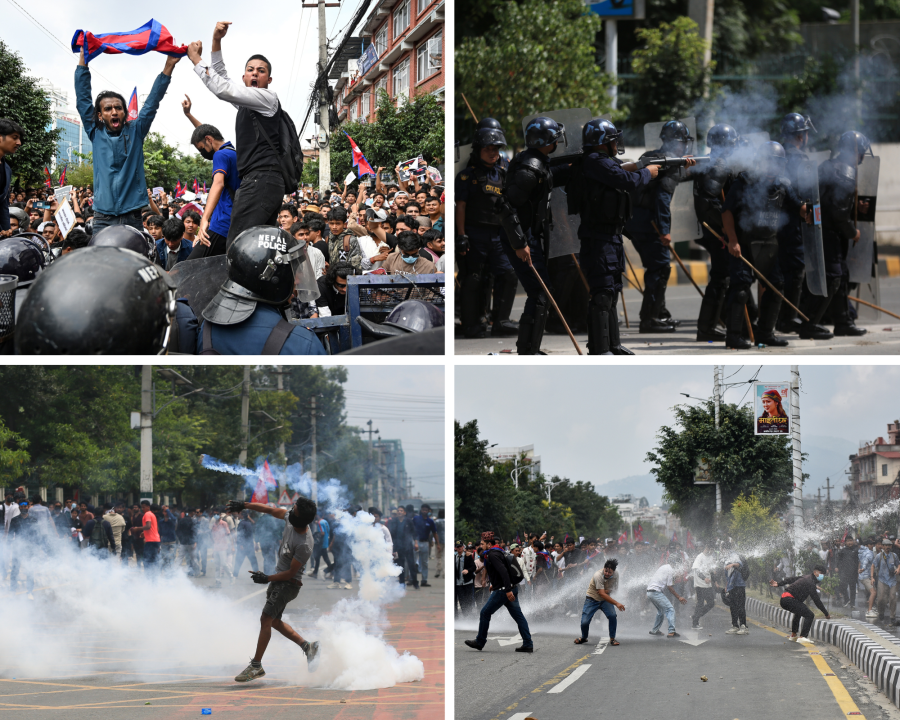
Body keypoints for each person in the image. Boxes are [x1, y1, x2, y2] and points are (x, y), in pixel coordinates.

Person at [187, 22, 285, 246]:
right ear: (244, 78)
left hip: (263, 179)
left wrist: (195, 60)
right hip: (258, 180)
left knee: (239, 243)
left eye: (261, 71)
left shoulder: (267, 99)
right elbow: (221, 77)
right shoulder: (247, 106)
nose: (255, 73)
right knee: (257, 246)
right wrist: (216, 41)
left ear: (268, 81)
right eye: (250, 70)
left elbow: (222, 88)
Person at [75, 45, 181, 233]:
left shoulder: (136, 130)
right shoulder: (95, 132)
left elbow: (152, 102)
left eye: (118, 107)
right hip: (102, 217)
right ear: (100, 115)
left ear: (125, 112)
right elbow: (83, 99)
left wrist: (169, 66)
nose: (114, 111)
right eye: (108, 109)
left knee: (132, 261)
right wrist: (83, 62)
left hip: (132, 216)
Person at [575, 118, 656, 354]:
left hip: (610, 237)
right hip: (598, 239)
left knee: (611, 292)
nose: (616, 143)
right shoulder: (594, 162)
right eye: (612, 140)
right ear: (602, 143)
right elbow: (625, 180)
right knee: (602, 294)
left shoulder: (602, 162)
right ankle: (600, 349)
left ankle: (613, 344)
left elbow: (622, 169)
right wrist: (648, 173)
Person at [497, 117, 574, 354]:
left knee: (540, 293)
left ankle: (530, 348)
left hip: (529, 236)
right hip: (521, 239)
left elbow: (550, 177)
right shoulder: (529, 169)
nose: (559, 141)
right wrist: (520, 244)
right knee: (539, 293)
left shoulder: (537, 162)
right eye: (555, 138)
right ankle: (528, 350)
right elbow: (506, 208)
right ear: (546, 141)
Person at [723, 142, 809, 349]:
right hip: (744, 244)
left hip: (769, 245)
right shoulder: (745, 181)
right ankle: (733, 336)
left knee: (775, 286)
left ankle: (765, 334)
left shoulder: (783, 184)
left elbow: (799, 207)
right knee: (741, 288)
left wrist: (810, 211)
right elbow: (727, 212)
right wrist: (733, 240)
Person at [225, 497, 319, 681]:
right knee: (274, 621)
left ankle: (256, 666)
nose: (290, 509)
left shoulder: (304, 544)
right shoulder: (291, 518)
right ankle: (308, 647)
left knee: (266, 619)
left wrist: (266, 578)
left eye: (295, 509)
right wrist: (244, 505)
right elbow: (268, 510)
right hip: (279, 580)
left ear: (299, 518)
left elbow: (291, 573)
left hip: (288, 584)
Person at [197, 226, 326, 355]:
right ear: (274, 277)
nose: (297, 281)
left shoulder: (206, 328)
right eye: (294, 272)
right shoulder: (304, 343)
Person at [624, 120, 696, 333]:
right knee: (659, 268)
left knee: (656, 266)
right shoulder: (668, 164)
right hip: (650, 224)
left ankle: (660, 314)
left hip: (635, 222)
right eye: (682, 142)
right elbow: (662, 199)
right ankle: (650, 319)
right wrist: (664, 231)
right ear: (676, 143)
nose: (684, 146)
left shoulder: (652, 156)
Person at [801, 130, 872, 338]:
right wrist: (853, 232)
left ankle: (843, 322)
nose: (861, 158)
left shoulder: (828, 166)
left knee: (840, 277)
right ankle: (809, 324)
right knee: (832, 278)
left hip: (821, 230)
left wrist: (856, 207)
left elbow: (829, 200)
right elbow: (838, 213)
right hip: (830, 233)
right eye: (861, 153)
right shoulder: (846, 174)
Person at [455, 122, 519, 339]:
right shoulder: (467, 176)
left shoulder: (504, 173)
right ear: (478, 149)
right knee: (474, 279)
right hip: (475, 233)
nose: (493, 153)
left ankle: (501, 320)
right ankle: (472, 324)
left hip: (500, 235)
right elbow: (461, 206)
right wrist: (462, 235)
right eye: (488, 148)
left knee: (508, 274)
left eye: (496, 149)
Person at [692, 123, 739, 341]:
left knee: (724, 277)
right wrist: (724, 228)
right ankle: (706, 329)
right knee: (721, 277)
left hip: (716, 230)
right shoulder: (719, 165)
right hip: (718, 232)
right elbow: (708, 202)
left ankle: (713, 325)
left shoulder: (713, 163)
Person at [776, 113, 819, 336]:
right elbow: (802, 191)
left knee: (782, 271)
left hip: (775, 222)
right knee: (794, 272)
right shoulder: (799, 159)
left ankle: (782, 316)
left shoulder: (776, 153)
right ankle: (788, 318)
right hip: (794, 223)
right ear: (801, 135)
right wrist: (803, 207)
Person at [183, 105, 239, 258]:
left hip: (220, 225)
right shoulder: (232, 152)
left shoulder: (220, 155)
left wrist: (204, 220)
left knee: (189, 267)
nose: (202, 153)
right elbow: (204, 131)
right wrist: (189, 115)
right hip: (232, 223)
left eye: (201, 148)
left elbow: (218, 183)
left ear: (209, 139)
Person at [464, 531, 533, 652]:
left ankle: (480, 641)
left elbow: (504, 572)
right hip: (509, 588)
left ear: (489, 544)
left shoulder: (493, 555)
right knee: (519, 617)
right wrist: (494, 585)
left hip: (503, 591)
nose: (481, 546)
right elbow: (499, 572)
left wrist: (506, 590)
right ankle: (528, 644)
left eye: (482, 543)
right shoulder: (498, 551)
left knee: (485, 613)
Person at [769, 565, 831, 642]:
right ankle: (803, 637)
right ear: (815, 572)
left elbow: (792, 579)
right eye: (821, 573)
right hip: (789, 599)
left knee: (798, 612)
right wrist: (826, 613)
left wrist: (779, 584)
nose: (822, 576)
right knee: (810, 615)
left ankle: (793, 635)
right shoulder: (810, 582)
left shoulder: (806, 577)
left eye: (823, 574)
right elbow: (817, 600)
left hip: (785, 599)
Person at [575, 558, 624, 646]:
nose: (607, 574)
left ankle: (612, 639)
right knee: (585, 622)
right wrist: (616, 603)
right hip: (592, 599)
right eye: (606, 571)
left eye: (610, 572)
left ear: (614, 571)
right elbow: (601, 594)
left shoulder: (616, 574)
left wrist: (606, 591)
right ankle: (583, 637)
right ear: (603, 568)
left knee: (612, 616)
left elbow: (615, 589)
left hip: (605, 600)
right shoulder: (598, 575)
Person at [646, 560, 686, 638]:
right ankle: (671, 631)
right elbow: (669, 586)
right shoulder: (670, 570)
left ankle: (655, 630)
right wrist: (679, 597)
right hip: (656, 592)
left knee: (661, 611)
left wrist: (675, 577)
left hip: (649, 592)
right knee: (670, 609)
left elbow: (665, 580)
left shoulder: (663, 567)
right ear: (675, 563)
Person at [0, 118, 24, 238]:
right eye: (14, 138)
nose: (19, 143)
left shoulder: (7, 169)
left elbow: (3, 203)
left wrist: (6, 229)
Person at [871, 538, 899, 624]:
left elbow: (899, 564)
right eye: (886, 545)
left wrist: (898, 570)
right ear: (883, 546)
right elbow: (873, 566)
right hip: (882, 580)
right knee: (881, 599)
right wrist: (872, 577)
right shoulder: (879, 556)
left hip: (892, 581)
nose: (888, 547)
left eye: (889, 545)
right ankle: (881, 612)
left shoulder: (894, 555)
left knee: (893, 598)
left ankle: (892, 616)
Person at [690, 541, 717, 629]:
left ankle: (696, 617)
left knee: (707, 603)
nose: (712, 552)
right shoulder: (700, 557)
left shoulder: (710, 557)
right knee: (706, 603)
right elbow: (697, 570)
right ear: (707, 549)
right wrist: (704, 578)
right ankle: (695, 620)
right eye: (711, 550)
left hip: (707, 584)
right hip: (701, 584)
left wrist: (715, 581)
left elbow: (711, 571)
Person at [412, 504, 440, 588]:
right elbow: (412, 530)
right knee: (413, 561)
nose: (424, 511)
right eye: (423, 510)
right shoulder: (416, 519)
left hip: (425, 543)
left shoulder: (430, 521)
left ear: (428, 511)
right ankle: (413, 579)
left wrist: (437, 544)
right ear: (421, 510)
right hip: (416, 542)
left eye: (426, 510)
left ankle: (424, 580)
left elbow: (434, 532)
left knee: (425, 562)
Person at [723, 551, 749, 634]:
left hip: (739, 585)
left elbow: (739, 564)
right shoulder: (726, 558)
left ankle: (743, 626)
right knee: (733, 606)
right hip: (731, 586)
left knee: (740, 606)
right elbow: (728, 575)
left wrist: (732, 564)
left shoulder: (734, 555)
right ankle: (735, 625)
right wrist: (727, 586)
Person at [233, 509, 260, 579]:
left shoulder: (242, 523)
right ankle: (257, 575)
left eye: (239, 514)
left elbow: (240, 535)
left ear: (242, 515)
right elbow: (254, 525)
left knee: (238, 561)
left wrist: (241, 545)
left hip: (243, 546)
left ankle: (234, 576)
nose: (238, 515)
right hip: (250, 545)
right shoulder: (249, 523)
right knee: (253, 561)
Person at [455, 541, 476, 617]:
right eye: (458, 547)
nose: (459, 548)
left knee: (469, 600)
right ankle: (465, 615)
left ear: (463, 547)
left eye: (460, 546)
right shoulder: (454, 557)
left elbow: (474, 567)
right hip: (458, 583)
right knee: (461, 600)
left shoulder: (468, 556)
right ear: (456, 548)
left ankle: (469, 616)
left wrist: (468, 570)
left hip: (467, 582)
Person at [140, 500, 161, 573]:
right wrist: (144, 532)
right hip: (155, 540)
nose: (142, 509)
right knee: (153, 560)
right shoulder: (152, 515)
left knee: (147, 561)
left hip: (151, 541)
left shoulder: (147, 514)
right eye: (141, 507)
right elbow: (155, 528)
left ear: (148, 507)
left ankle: (149, 578)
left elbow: (148, 526)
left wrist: (137, 528)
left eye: (144, 507)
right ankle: (154, 578)